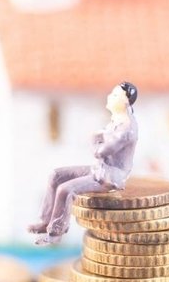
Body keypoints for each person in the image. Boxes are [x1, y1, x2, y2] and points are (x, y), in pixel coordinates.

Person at [28, 81, 139, 245]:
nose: (109, 96)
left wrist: (95, 139)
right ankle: (45, 221)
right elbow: (101, 143)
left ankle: (56, 232)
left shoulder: (126, 130)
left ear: (124, 102)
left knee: (65, 190)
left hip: (110, 177)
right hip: (99, 169)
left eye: (115, 95)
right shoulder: (116, 121)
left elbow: (100, 152)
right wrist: (99, 138)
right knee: (56, 175)